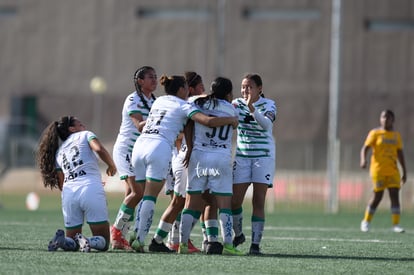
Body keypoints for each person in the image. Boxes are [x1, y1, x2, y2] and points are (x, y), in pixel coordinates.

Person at [130, 74, 238, 253]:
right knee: (172, 200)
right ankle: (148, 239)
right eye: (187, 87)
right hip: (163, 148)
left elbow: (186, 124)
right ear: (181, 89)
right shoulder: (186, 105)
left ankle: (141, 234)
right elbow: (207, 121)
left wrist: (189, 144)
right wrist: (231, 119)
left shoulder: (159, 101)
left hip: (140, 145)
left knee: (151, 196)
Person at [178, 77, 243, 256]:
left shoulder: (197, 103)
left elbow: (189, 117)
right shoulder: (231, 109)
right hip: (220, 157)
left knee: (191, 203)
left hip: (199, 156)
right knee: (224, 204)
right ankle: (228, 245)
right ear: (229, 94)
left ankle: (182, 244)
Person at [37, 116, 116, 252]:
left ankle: (63, 241)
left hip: (69, 194)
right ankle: (88, 241)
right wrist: (111, 165)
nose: (83, 124)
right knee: (103, 241)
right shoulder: (86, 135)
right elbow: (99, 149)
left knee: (72, 242)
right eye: (80, 123)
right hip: (90, 188)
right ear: (72, 129)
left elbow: (62, 184)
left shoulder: (59, 153)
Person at [151, 71, 205, 253]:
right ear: (190, 89)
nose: (203, 90)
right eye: (200, 86)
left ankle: (175, 239)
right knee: (181, 202)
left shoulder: (180, 104)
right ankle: (172, 240)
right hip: (183, 160)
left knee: (192, 201)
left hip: (183, 159)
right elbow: (184, 130)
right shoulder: (188, 105)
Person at [111, 66, 157, 250]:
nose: (154, 80)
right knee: (137, 193)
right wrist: (162, 120)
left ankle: (118, 239)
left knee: (132, 195)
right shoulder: (133, 99)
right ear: (140, 81)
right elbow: (139, 125)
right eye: (150, 77)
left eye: (155, 77)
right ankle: (115, 229)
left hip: (140, 152)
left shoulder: (154, 101)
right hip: (126, 151)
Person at [231, 73, 277, 255]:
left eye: (249, 87)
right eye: (243, 87)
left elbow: (266, 125)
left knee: (258, 200)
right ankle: (239, 234)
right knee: (234, 201)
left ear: (260, 89)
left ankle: (255, 245)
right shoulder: (235, 104)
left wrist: (251, 108)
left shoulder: (269, 104)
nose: (245, 90)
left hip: (263, 157)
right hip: (242, 157)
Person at [360, 109, 407, 233]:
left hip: (393, 170)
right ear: (380, 119)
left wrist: (405, 171)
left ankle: (396, 225)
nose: (385, 119)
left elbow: (400, 153)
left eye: (388, 117)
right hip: (378, 170)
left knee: (395, 195)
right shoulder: (375, 133)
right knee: (377, 196)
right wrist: (363, 160)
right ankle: (366, 221)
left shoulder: (396, 136)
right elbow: (365, 148)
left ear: (393, 120)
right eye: (383, 117)